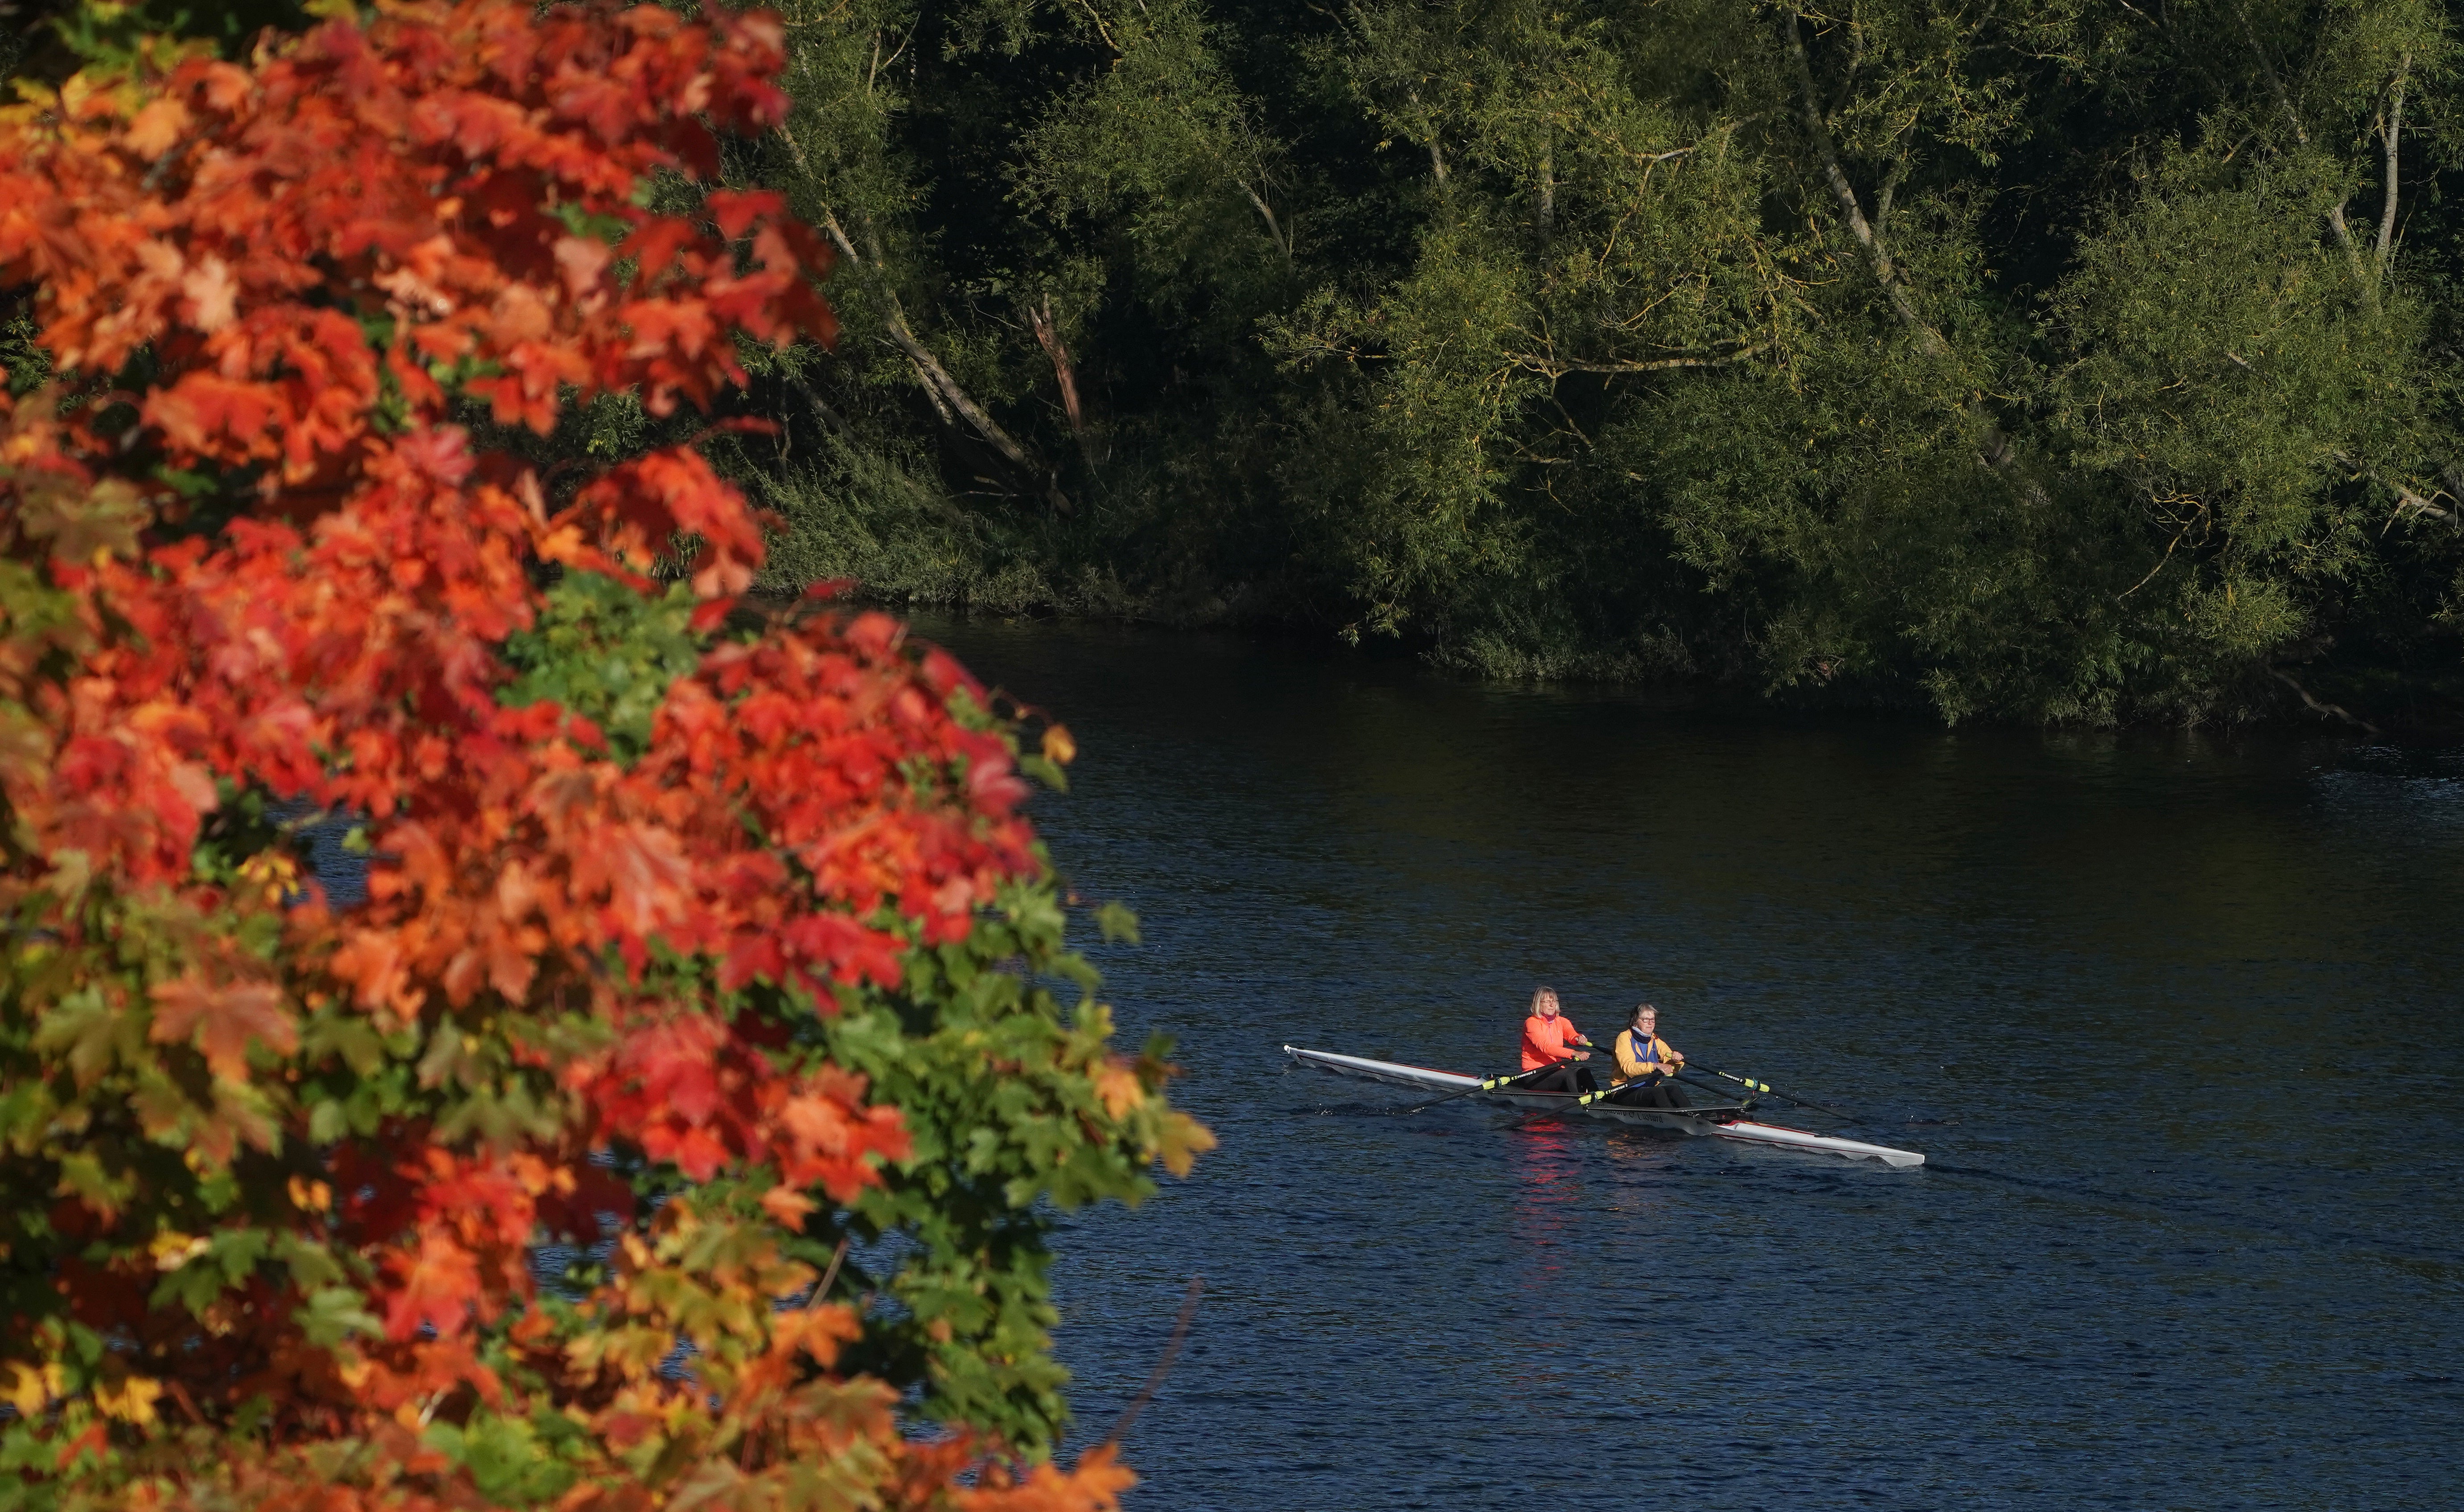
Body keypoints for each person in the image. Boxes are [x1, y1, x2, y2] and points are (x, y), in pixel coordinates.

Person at [1607, 1003, 1688, 1109]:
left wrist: (1677, 1061)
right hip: (1624, 1090)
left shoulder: (1655, 1039)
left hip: (1649, 1089)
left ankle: (1697, 1117)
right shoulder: (1624, 1038)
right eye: (1645, 1019)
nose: (1650, 1023)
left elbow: (1672, 1067)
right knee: (1658, 1092)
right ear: (1635, 1022)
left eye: (1653, 1020)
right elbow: (1629, 1068)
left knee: (1674, 1089)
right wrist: (1655, 1066)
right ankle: (1677, 1119)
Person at [1518, 986, 1596, 1095]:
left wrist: (1579, 1038)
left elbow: (1572, 1035)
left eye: (1554, 1001)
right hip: (1535, 1075)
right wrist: (1573, 1053)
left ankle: (1602, 1102)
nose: (1552, 1005)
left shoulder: (1562, 1022)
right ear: (1539, 1004)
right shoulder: (1531, 1023)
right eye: (1547, 1002)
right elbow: (1546, 1047)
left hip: (1555, 1070)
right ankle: (1580, 1102)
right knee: (1568, 1074)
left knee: (1584, 1072)